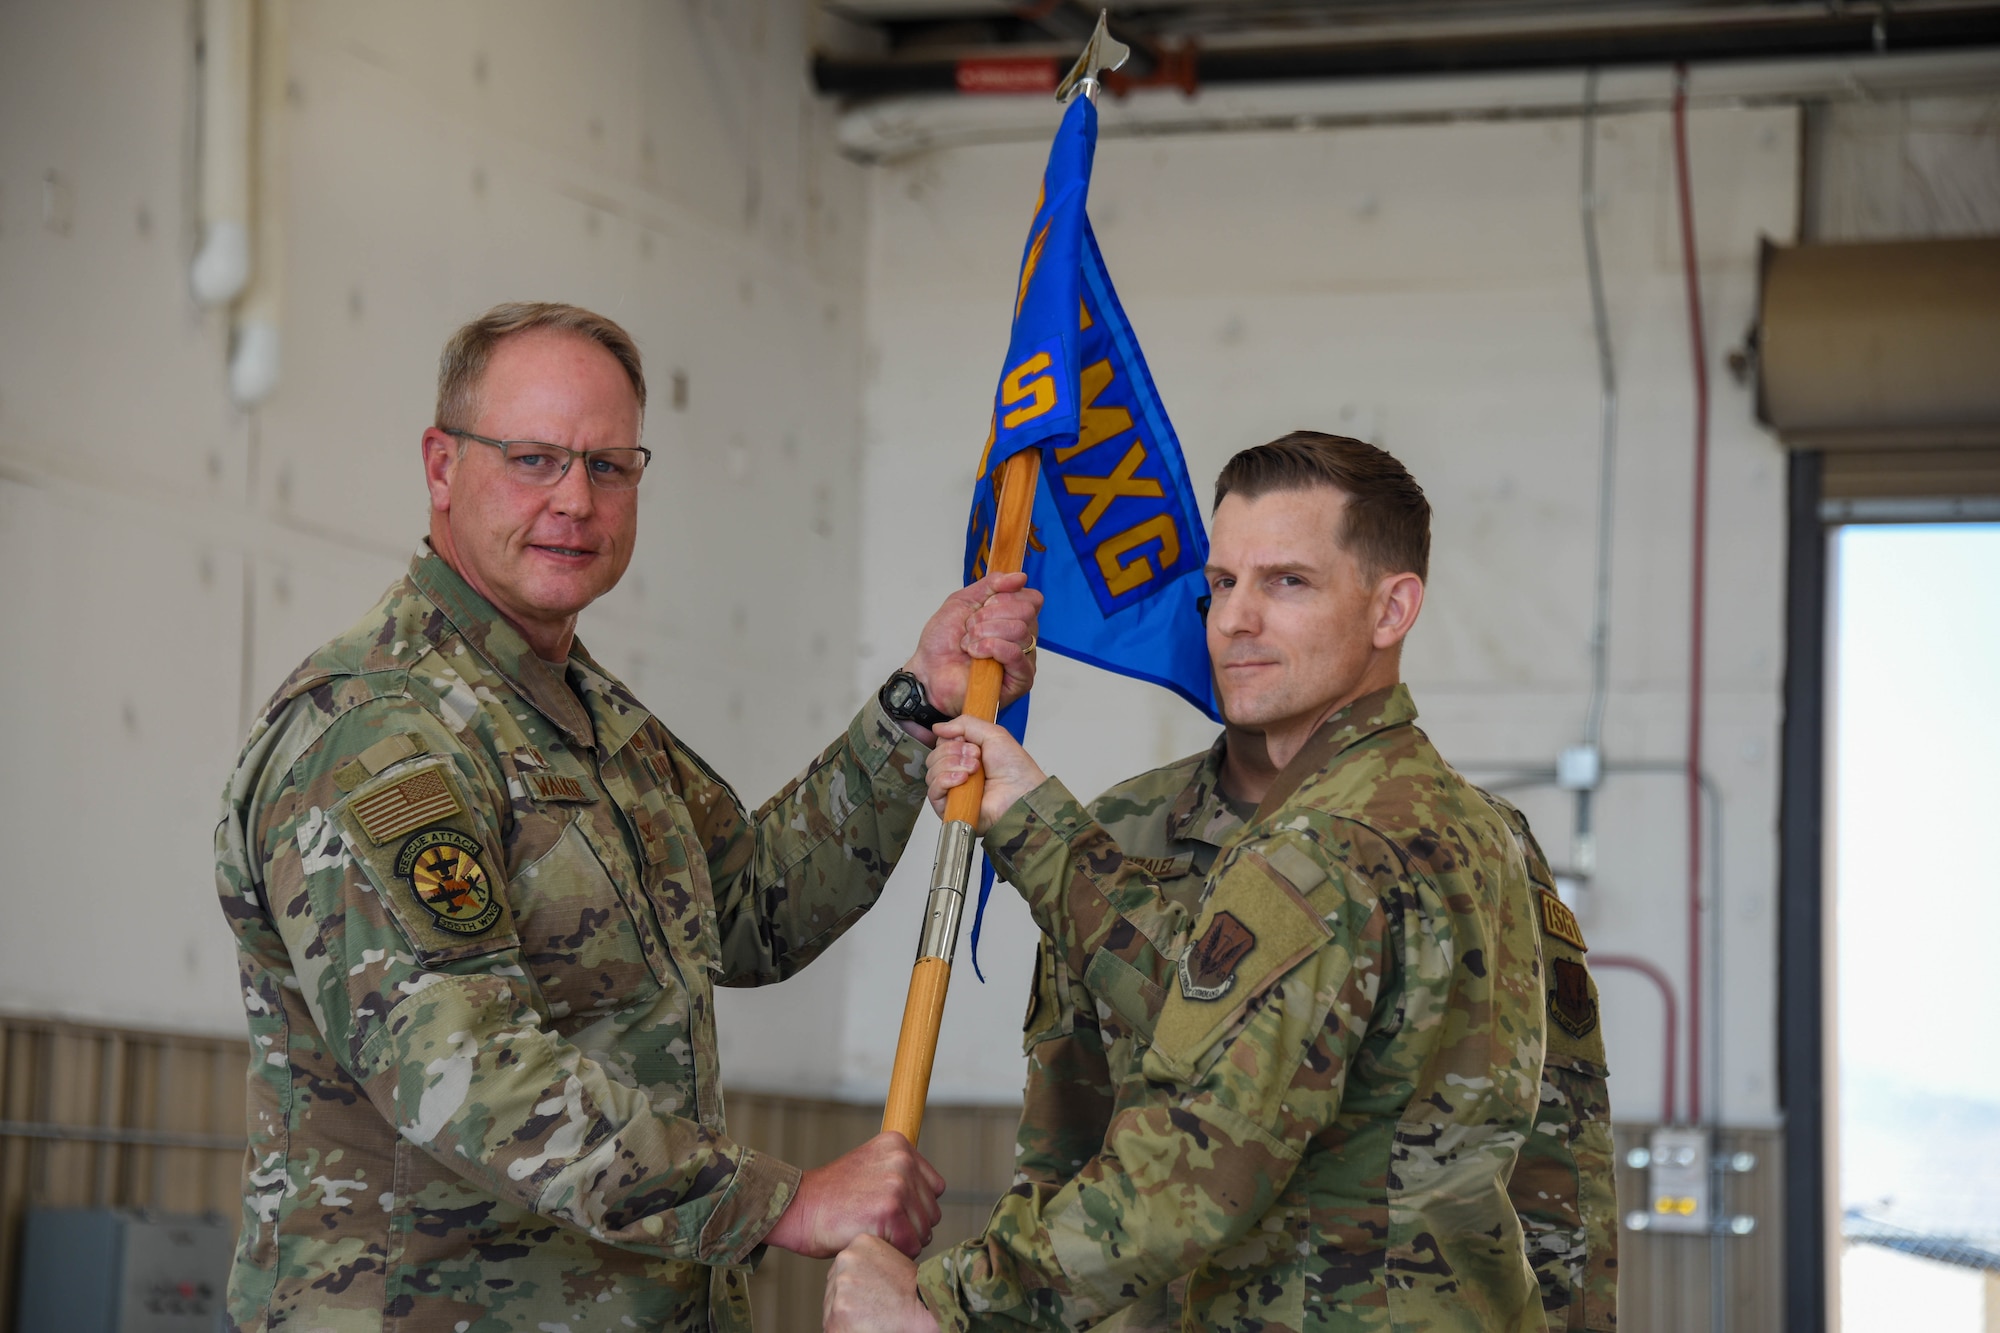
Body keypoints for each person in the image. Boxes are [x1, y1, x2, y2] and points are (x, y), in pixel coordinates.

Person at [213, 302, 1041, 1333]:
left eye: (609, 467)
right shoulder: (381, 733)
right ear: (440, 466)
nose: (574, 499)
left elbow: (753, 907)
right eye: (532, 458)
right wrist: (781, 1199)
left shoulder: (584, 715)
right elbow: (464, 1076)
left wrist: (915, 701)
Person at [825, 431, 1552, 1331]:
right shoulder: (1482, 832)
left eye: (1288, 581)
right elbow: (1093, 1114)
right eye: (1221, 585)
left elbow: (1202, 1159)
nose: (1234, 619)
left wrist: (943, 1304)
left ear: (1391, 608)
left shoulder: (1324, 844)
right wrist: (1036, 823)